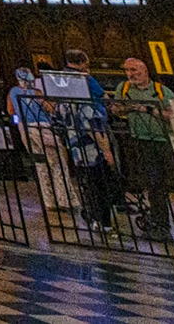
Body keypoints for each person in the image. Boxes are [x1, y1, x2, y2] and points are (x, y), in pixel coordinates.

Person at [44, 48, 119, 233]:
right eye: (87, 64)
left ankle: (93, 216)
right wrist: (106, 148)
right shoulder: (84, 80)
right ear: (83, 63)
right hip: (92, 138)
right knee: (100, 180)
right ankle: (102, 221)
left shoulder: (58, 81)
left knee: (87, 180)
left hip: (74, 139)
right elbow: (93, 111)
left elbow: (55, 112)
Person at [115, 57, 174, 242]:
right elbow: (115, 109)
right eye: (127, 71)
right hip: (141, 140)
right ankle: (161, 226)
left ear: (145, 71)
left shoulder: (161, 91)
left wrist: (148, 110)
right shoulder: (123, 89)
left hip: (165, 141)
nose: (131, 74)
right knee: (154, 185)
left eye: (134, 70)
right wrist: (124, 109)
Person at [8, 68, 70, 210]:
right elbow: (49, 109)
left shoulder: (13, 92)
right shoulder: (36, 92)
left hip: (25, 128)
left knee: (40, 164)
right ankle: (63, 199)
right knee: (57, 163)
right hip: (42, 127)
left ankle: (49, 201)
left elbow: (11, 111)